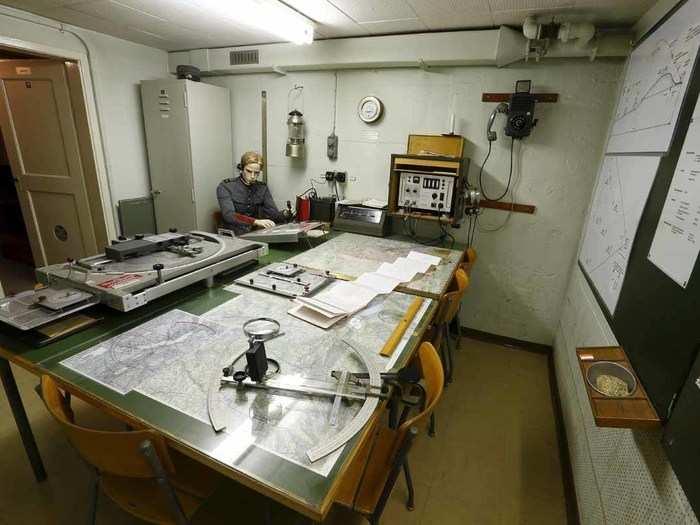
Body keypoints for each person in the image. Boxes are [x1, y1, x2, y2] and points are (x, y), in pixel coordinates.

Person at [216, 151, 286, 236]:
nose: (253, 176)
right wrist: (255, 221)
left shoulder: (262, 188)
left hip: (255, 233)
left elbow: (273, 213)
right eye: (249, 171)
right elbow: (229, 215)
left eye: (256, 173)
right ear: (241, 169)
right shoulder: (225, 187)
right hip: (233, 235)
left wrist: (286, 213)